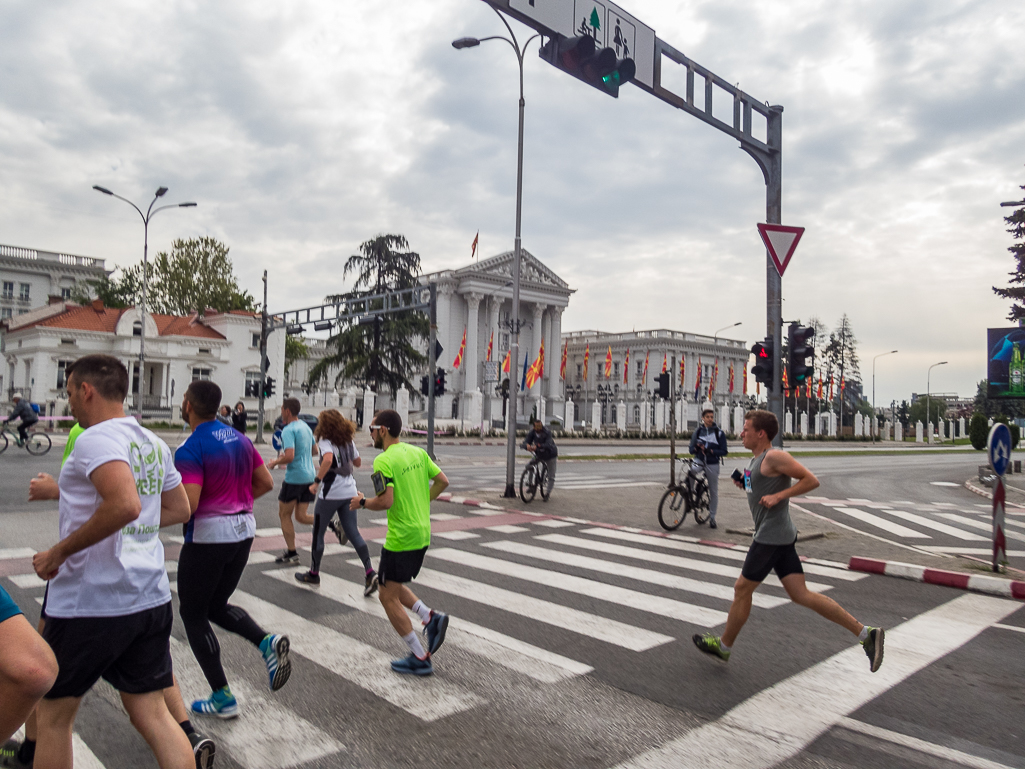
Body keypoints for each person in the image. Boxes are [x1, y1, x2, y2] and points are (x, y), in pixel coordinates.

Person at [30, 354, 196, 769]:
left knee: (53, 716)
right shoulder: (152, 441)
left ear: (87, 390)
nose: (68, 403)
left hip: (92, 602)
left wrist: (58, 552)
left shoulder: (95, 439)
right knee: (154, 714)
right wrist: (134, 524)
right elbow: (178, 509)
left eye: (69, 393)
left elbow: (124, 503)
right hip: (148, 598)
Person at [693, 409, 885, 673]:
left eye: (746, 429)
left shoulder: (774, 456)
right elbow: (757, 490)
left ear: (761, 433)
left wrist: (780, 496)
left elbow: (811, 480)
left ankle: (723, 647)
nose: (741, 433)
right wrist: (745, 484)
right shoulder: (755, 461)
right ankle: (866, 634)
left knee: (741, 589)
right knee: (800, 594)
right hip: (779, 535)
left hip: (771, 536)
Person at [174, 380, 290, 719]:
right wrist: (235, 502)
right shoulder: (239, 439)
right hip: (243, 531)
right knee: (216, 605)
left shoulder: (190, 448)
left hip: (209, 536)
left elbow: (190, 504)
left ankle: (222, 695)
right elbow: (265, 482)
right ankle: (266, 642)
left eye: (184, 399)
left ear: (189, 406)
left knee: (193, 614)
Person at [352, 410, 449, 676]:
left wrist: (361, 503)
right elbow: (442, 481)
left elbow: (385, 501)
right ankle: (429, 617)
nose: (370, 433)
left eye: (371, 428)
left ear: (383, 430)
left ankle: (420, 656)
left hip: (401, 537)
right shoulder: (417, 453)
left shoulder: (383, 461)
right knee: (391, 585)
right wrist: (422, 500)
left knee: (386, 595)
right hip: (422, 533)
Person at [294, 409, 378, 595]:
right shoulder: (348, 441)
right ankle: (370, 571)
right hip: (349, 491)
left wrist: (316, 482)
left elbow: (327, 460)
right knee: (353, 532)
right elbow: (357, 462)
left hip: (330, 493)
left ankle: (314, 574)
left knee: (318, 532)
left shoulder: (325, 442)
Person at [266, 399, 317, 564]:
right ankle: (330, 522)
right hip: (310, 475)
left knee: (284, 514)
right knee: (301, 516)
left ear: (287, 411)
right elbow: (315, 451)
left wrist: (275, 462)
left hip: (295, 477)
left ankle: (292, 552)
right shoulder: (306, 428)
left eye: (282, 409)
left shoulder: (288, 430)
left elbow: (289, 456)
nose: (281, 413)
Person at [688, 408, 728, 529]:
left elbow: (724, 451)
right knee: (691, 471)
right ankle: (691, 493)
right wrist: (696, 449)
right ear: (703, 418)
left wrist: (711, 451)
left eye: (712, 417)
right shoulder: (698, 431)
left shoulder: (719, 433)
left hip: (712, 463)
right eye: (708, 417)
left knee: (713, 490)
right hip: (699, 460)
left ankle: (712, 517)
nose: (710, 419)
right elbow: (690, 449)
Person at [521, 418, 557, 496]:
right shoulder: (532, 433)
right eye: (537, 427)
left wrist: (537, 446)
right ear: (533, 427)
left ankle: (547, 493)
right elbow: (526, 441)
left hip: (550, 454)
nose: (539, 429)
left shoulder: (547, 432)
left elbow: (548, 444)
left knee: (551, 475)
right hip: (539, 454)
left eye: (540, 427)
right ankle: (530, 485)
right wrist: (526, 445)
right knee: (529, 466)